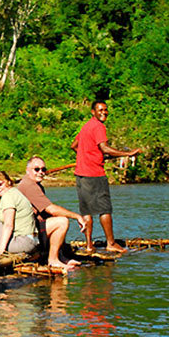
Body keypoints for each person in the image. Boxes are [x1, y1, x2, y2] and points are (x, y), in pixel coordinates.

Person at [71, 100, 142, 253]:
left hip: (81, 175)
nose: (104, 112)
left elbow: (74, 146)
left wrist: (89, 156)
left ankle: (89, 246)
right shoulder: (98, 126)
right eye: (100, 110)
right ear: (93, 112)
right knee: (105, 210)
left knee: (87, 211)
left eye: (105, 109)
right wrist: (127, 154)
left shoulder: (86, 126)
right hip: (94, 174)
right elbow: (104, 148)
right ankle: (111, 243)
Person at [17, 156, 86, 268]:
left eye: (43, 169)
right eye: (36, 169)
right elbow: (51, 209)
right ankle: (53, 260)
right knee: (61, 222)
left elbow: (46, 212)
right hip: (24, 235)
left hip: (30, 228)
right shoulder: (28, 185)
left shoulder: (36, 185)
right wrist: (77, 216)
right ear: (27, 171)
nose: (41, 172)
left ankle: (60, 257)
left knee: (55, 219)